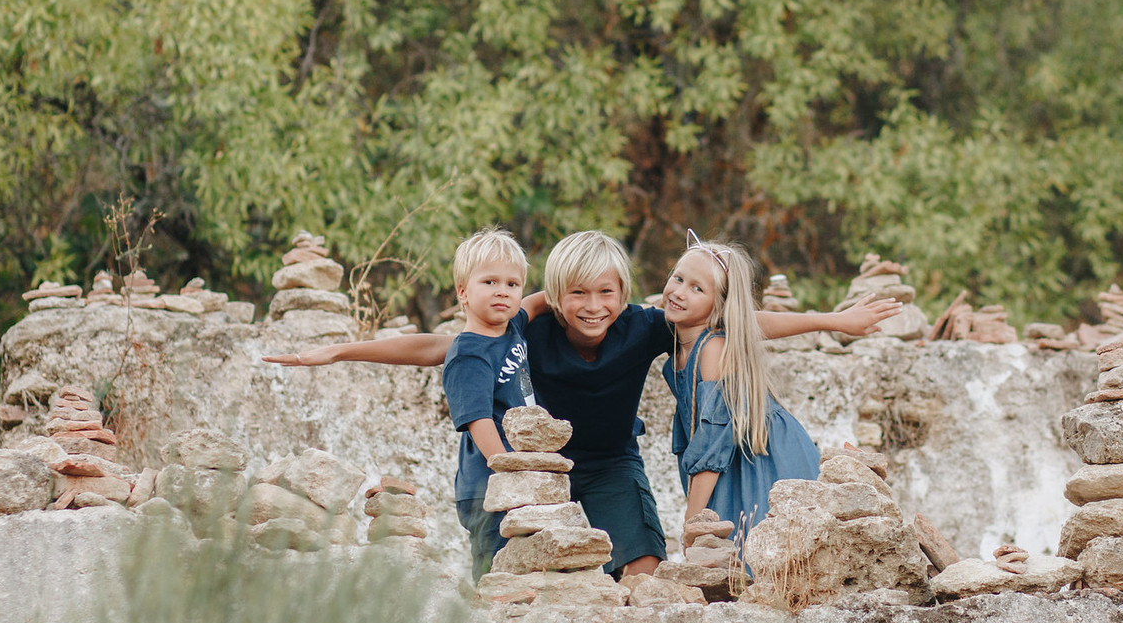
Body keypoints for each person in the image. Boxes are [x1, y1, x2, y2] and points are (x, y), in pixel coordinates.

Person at [273, 230, 898, 579]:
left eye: (607, 293)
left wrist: (832, 320)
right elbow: (442, 345)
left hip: (614, 466)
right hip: (548, 475)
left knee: (645, 568)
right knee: (522, 578)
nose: (593, 306)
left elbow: (743, 321)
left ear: (626, 294)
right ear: (554, 294)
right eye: (576, 294)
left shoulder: (644, 326)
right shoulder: (529, 327)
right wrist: (340, 352)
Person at [266, 227, 531, 580]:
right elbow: (479, 421)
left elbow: (546, 297)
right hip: (490, 483)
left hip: (516, 478)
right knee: (497, 572)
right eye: (490, 282)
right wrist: (512, 472)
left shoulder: (514, 326)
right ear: (463, 293)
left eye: (512, 285)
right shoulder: (468, 354)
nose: (502, 291)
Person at [659, 234, 819, 543]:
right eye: (678, 278)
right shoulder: (679, 337)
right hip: (729, 459)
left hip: (762, 457)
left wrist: (692, 524)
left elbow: (710, 449)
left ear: (718, 306)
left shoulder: (711, 350)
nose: (678, 292)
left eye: (697, 288)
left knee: (759, 554)